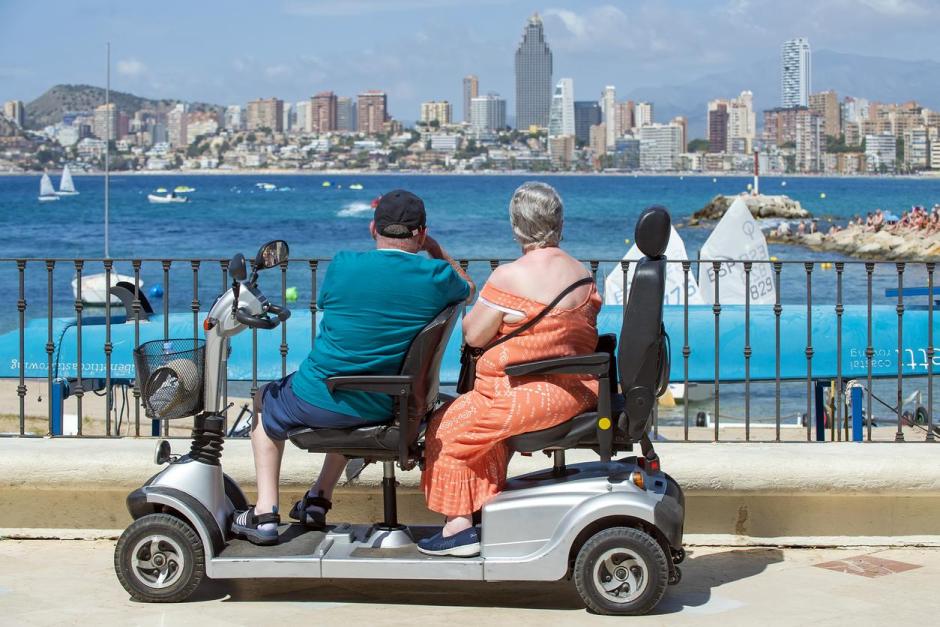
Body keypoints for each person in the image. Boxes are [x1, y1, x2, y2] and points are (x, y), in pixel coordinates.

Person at [232, 190, 474, 545]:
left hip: (325, 396)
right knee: (349, 400)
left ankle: (266, 513)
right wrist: (435, 250)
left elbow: (330, 301)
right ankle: (318, 498)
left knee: (263, 403)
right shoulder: (437, 276)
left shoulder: (344, 264)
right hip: (390, 404)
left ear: (372, 229)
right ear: (420, 233)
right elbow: (468, 288)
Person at [418, 182, 600, 557]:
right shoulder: (581, 273)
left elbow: (474, 334)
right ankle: (485, 512)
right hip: (575, 390)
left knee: (449, 427)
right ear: (558, 222)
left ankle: (457, 528)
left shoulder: (509, 276)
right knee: (475, 420)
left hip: (523, 393)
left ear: (517, 226)